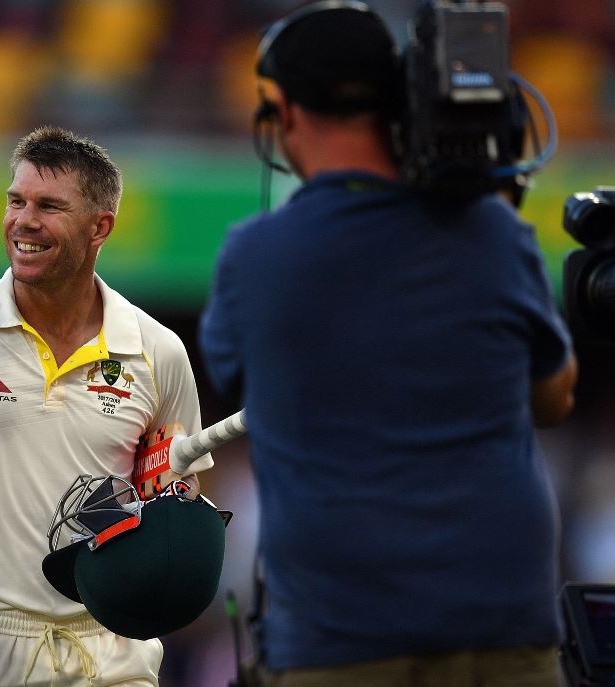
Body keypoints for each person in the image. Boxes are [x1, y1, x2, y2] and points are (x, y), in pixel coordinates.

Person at [200, 3, 577, 687]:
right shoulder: (494, 234)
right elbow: (555, 396)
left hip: (335, 642)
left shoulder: (253, 258)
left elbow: (235, 376)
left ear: (280, 113)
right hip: (502, 635)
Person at [0, 125, 212, 686]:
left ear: (100, 227)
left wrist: (168, 515)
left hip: (108, 650)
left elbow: (182, 488)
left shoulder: (157, 350)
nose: (24, 220)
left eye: (49, 206)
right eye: (16, 200)